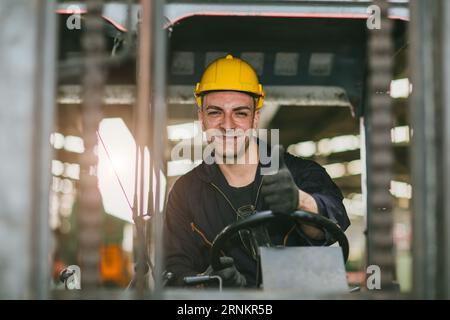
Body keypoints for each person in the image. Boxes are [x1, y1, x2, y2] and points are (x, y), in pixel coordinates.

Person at [163, 54, 350, 288]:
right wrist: (209, 283)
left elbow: (334, 220)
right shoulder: (185, 192)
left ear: (255, 118)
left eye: (240, 113)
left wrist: (300, 201)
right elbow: (173, 270)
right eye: (215, 112)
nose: (228, 125)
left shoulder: (302, 173)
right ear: (202, 118)